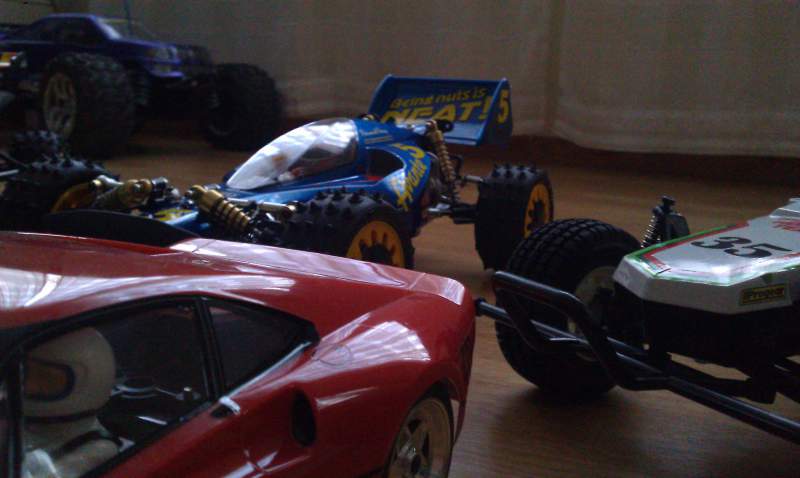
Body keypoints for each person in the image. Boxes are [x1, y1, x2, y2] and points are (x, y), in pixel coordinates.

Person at [21, 328, 119, 478]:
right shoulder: (27, 423)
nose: (29, 386)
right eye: (28, 372)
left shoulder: (96, 452)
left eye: (46, 378)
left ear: (89, 384)